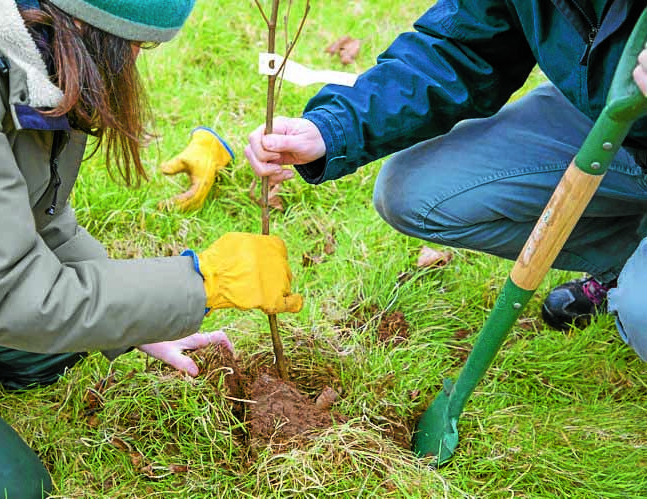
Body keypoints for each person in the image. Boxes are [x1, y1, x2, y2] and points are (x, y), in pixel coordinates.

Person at [0, 0, 302, 497]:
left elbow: (36, 217)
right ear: (82, 23)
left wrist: (143, 324)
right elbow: (16, 295)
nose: (131, 64)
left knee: (47, 355)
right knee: (5, 487)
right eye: (131, 45)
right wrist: (200, 282)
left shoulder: (22, 48)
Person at [246, 0, 647, 361]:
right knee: (412, 191)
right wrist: (333, 128)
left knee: (641, 311)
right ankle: (630, 261)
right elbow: (462, 48)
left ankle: (635, 290)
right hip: (607, 116)